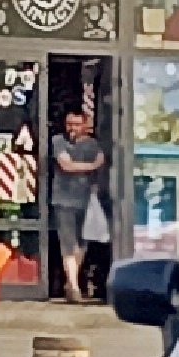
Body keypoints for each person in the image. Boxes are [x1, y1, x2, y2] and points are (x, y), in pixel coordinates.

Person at [49, 109, 106, 303]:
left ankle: (70, 282)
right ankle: (73, 287)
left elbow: (102, 165)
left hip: (86, 201)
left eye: (76, 124)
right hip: (63, 201)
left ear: (84, 125)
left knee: (82, 243)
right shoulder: (58, 141)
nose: (71, 128)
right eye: (69, 124)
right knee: (68, 243)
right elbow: (66, 165)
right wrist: (92, 166)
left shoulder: (93, 145)